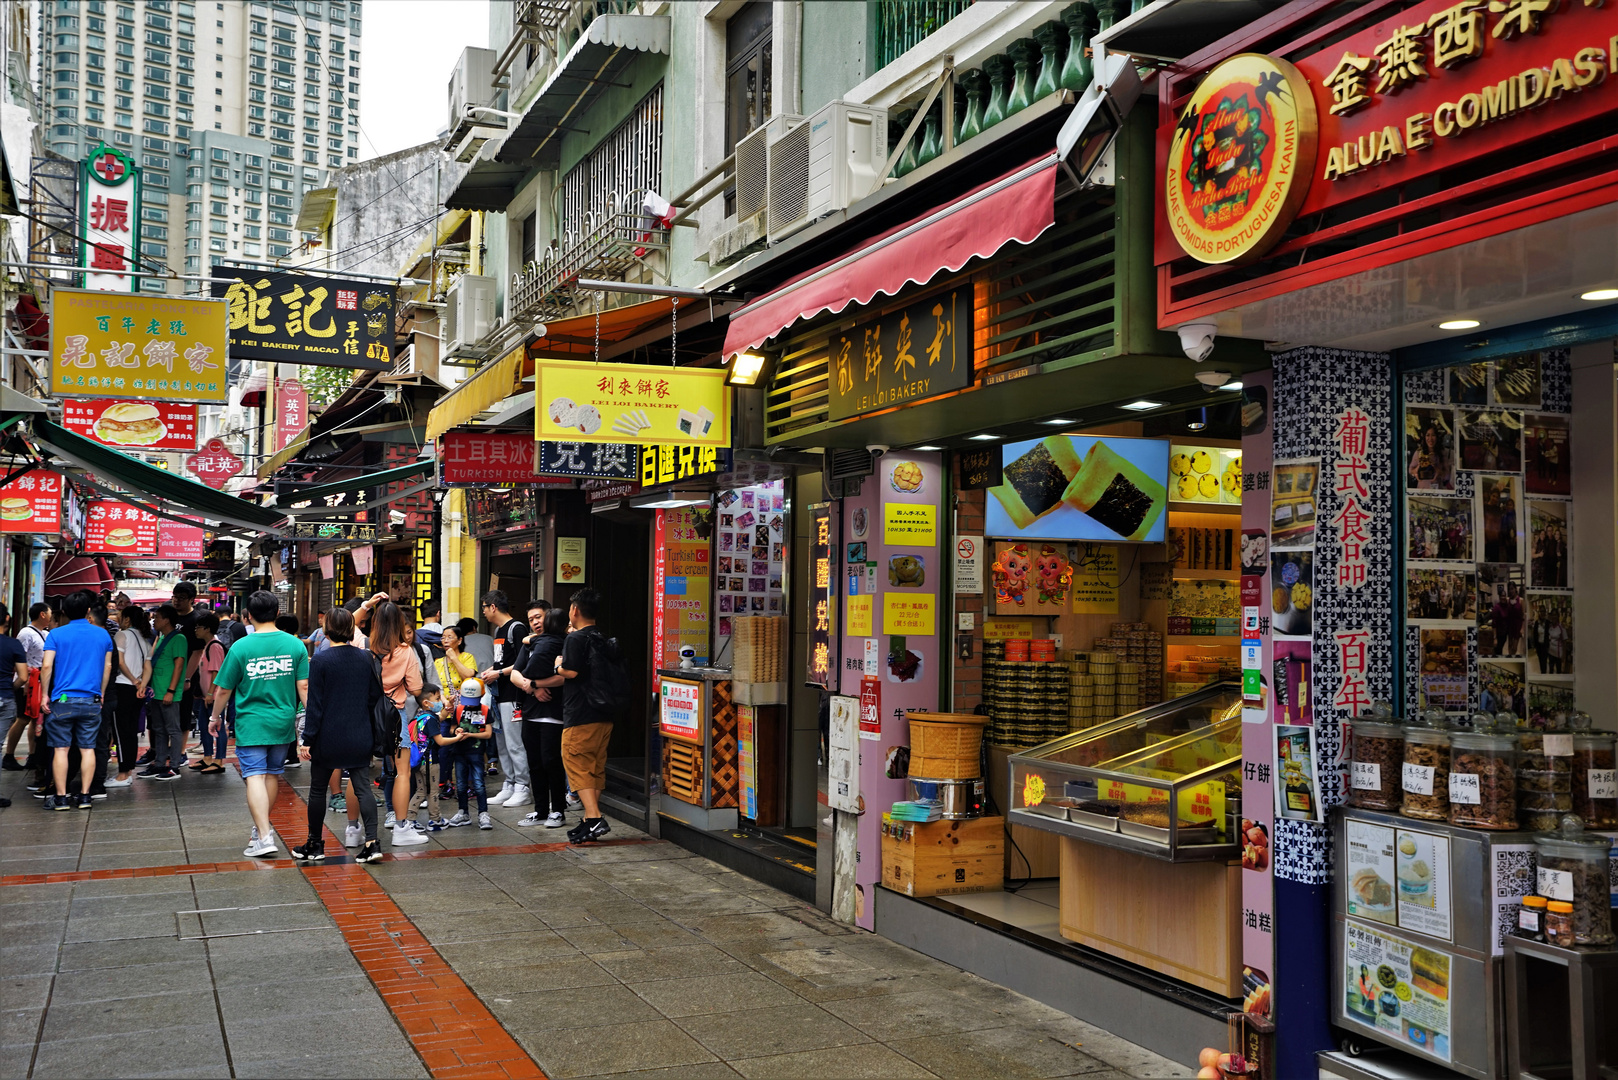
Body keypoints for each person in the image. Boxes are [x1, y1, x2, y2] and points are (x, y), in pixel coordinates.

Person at [208, 590, 309, 858]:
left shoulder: (241, 647)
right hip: (282, 722)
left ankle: (264, 836)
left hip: (251, 723)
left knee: (254, 775)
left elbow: (224, 690)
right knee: (273, 774)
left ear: (248, 616)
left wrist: (214, 717)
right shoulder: (295, 645)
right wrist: (312, 722)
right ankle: (259, 828)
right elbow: (304, 687)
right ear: (277, 613)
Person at [294, 606, 384, 863]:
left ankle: (314, 844)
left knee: (318, 789)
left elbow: (315, 705)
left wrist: (307, 738)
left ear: (326, 629)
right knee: (363, 787)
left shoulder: (321, 659)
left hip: (328, 737)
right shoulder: (367, 658)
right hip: (359, 733)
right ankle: (372, 842)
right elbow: (373, 697)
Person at [40, 590, 115, 810]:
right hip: (91, 699)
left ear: (63, 612)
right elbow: (108, 667)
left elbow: (46, 666)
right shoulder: (103, 635)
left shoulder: (55, 634)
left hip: (62, 699)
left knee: (61, 749)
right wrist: (100, 693)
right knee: (87, 748)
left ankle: (62, 798)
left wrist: (45, 694)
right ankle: (84, 797)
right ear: (88, 611)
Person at [557, 589, 613, 843]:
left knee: (576, 762)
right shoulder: (602, 636)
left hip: (580, 712)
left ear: (575, 610)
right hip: (604, 712)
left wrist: (558, 664)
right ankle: (590, 821)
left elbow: (569, 671)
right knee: (594, 766)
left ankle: (594, 816)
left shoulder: (576, 639)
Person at [370, 598, 425, 847]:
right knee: (402, 772)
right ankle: (402, 829)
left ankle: (354, 828)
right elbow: (416, 688)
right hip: (395, 715)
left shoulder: (364, 645)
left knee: (358, 769)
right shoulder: (405, 651)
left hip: (365, 713)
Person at [512, 605, 569, 828]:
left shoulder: (561, 643)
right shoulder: (530, 644)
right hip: (530, 711)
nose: (535, 622)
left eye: (539, 617)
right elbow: (516, 674)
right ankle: (541, 810)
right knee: (534, 763)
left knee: (551, 761)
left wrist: (536, 683)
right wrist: (532, 688)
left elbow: (564, 676)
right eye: (531, 619)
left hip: (553, 712)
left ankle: (558, 811)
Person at [479, 590, 532, 809]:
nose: (483, 612)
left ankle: (522, 786)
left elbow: (524, 661)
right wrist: (493, 670)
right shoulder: (499, 630)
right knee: (501, 742)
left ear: (493, 607)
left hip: (513, 694)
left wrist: (498, 673)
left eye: (484, 607)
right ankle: (509, 783)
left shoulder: (516, 628)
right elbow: (504, 662)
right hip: (499, 694)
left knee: (514, 742)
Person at [104, 605, 152, 787]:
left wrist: (133, 680)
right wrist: (142, 684)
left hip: (123, 687)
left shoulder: (121, 635)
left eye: (120, 616)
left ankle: (123, 775)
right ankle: (128, 771)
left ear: (127, 619)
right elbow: (148, 667)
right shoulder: (144, 639)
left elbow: (120, 662)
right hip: (137, 691)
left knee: (121, 731)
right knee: (130, 731)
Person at [143, 605, 189, 781]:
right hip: (157, 692)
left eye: (158, 617)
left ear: (167, 619)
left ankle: (175, 766)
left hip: (168, 692)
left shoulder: (179, 638)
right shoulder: (162, 638)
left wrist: (171, 690)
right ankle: (160, 763)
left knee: (173, 729)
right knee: (159, 729)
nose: (154, 620)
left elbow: (178, 665)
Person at [3, 603, 51, 772]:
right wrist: (25, 679)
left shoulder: (45, 633)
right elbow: (18, 658)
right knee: (23, 718)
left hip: (38, 683)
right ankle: (9, 754)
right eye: (49, 612)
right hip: (27, 683)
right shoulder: (26, 633)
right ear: (42, 614)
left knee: (35, 719)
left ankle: (33, 754)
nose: (52, 615)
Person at [440, 677, 492, 828]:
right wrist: (456, 731)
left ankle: (483, 813)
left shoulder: (484, 710)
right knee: (461, 784)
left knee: (479, 784)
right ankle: (463, 812)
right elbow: (451, 728)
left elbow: (488, 733)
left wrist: (470, 735)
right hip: (460, 751)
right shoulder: (459, 709)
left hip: (476, 752)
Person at [171, 583, 205, 766]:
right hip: (166, 672)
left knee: (183, 713)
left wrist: (187, 677)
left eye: (181, 597)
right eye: (175, 596)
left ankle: (181, 752)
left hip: (186, 674)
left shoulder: (195, 620)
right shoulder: (169, 615)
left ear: (192, 599)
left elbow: (197, 652)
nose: (176, 600)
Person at [191, 614, 228, 774]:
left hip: (213, 696)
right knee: (205, 727)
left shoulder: (215, 646)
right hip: (205, 696)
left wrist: (211, 693)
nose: (196, 630)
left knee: (217, 728)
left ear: (207, 629)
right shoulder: (207, 646)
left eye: (198, 627)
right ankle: (207, 757)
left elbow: (216, 672)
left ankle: (219, 760)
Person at [405, 684, 445, 831]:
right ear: (426, 702)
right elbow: (440, 741)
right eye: (438, 698)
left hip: (418, 761)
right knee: (433, 791)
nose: (440, 701)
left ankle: (410, 819)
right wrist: (458, 738)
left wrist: (449, 707)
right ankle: (435, 820)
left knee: (421, 791)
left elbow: (442, 715)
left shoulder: (419, 717)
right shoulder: (431, 719)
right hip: (430, 762)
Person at [0, 606, 30, 791]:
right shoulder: (13, 644)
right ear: (8, 618)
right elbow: (24, 677)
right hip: (5, 697)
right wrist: (10, 688)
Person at [433, 625, 478, 702]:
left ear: (459, 641)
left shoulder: (467, 657)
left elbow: (468, 677)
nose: (445, 641)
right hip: (444, 705)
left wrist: (453, 658)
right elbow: (434, 686)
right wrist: (445, 702)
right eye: (443, 638)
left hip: (462, 703)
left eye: (449, 637)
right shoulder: (438, 662)